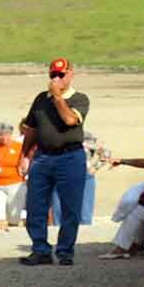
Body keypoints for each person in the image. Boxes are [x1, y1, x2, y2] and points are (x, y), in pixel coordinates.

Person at [19, 56, 90, 266]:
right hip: (42, 157)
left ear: (70, 75)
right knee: (35, 205)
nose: (56, 78)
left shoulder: (79, 99)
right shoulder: (41, 99)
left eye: (61, 74)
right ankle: (40, 249)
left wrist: (58, 97)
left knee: (70, 207)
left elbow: (70, 120)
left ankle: (65, 251)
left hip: (70, 157)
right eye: (53, 75)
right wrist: (24, 155)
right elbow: (32, 129)